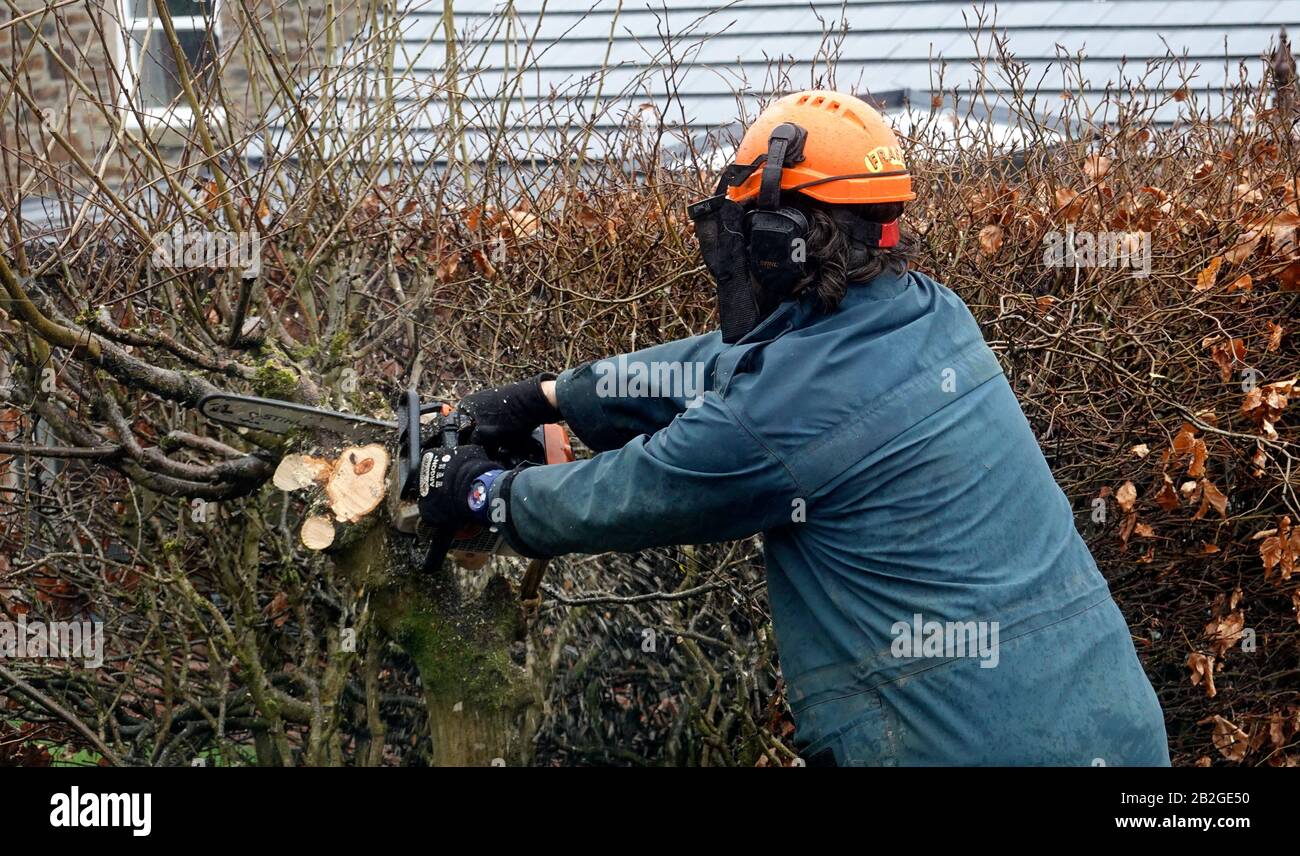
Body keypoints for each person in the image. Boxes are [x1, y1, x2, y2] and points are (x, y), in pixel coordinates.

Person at [416, 90, 1170, 766]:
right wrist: (550, 397)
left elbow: (639, 490)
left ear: (776, 239)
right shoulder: (932, 316)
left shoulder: (782, 416)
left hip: (965, 742)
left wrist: (488, 496)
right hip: (1116, 727)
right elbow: (728, 366)